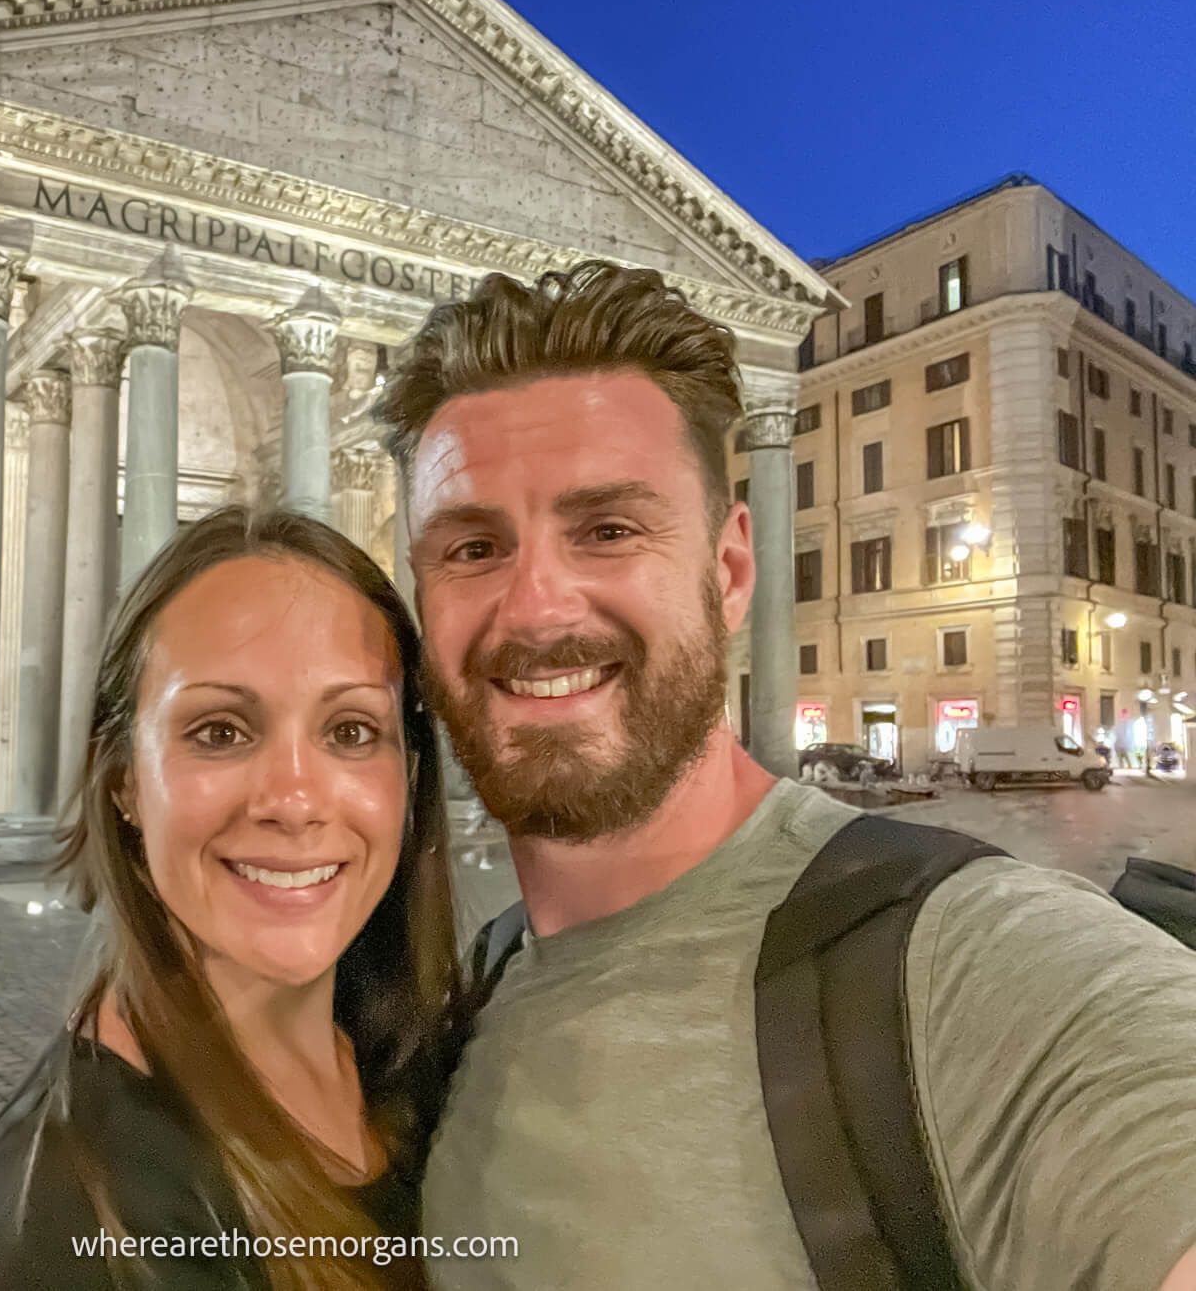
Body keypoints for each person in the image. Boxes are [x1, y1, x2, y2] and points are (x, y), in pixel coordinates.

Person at [373, 260, 1196, 1290]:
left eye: (609, 530)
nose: (537, 608)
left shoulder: (974, 970)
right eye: (473, 546)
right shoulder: (483, 977)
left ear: (729, 573)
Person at [0, 507, 460, 1290]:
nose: (293, 799)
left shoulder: (428, 1063)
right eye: (220, 731)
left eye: (352, 731)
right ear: (123, 781)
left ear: (409, 775)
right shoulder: (66, 1222)